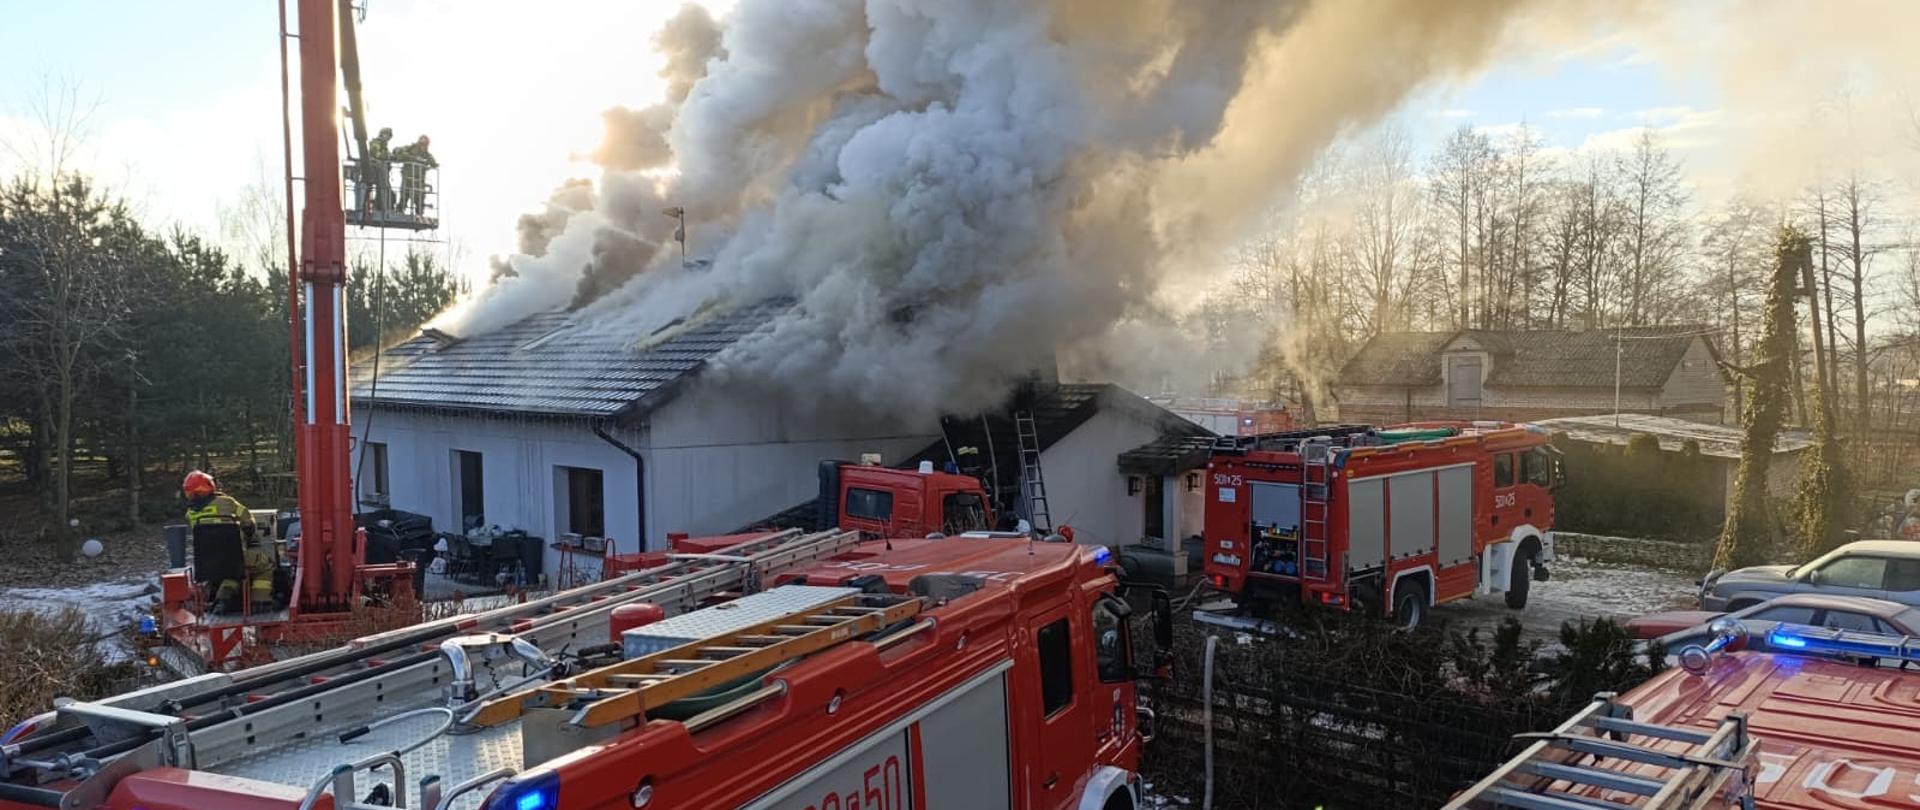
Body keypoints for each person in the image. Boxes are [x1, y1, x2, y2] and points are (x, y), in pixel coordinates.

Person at [183, 471, 272, 613]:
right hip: (236, 557)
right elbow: (248, 521)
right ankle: (260, 602)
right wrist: (250, 538)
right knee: (265, 565)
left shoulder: (190, 514)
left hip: (209, 562)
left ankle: (222, 602)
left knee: (231, 573)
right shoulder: (227, 502)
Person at [392, 134, 438, 216]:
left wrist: (432, 163)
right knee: (404, 195)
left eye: (425, 144)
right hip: (408, 177)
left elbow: (432, 161)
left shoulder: (426, 154)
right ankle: (400, 210)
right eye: (422, 144)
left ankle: (419, 213)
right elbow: (397, 151)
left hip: (419, 179)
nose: (423, 146)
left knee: (420, 197)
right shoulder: (410, 148)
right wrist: (412, 158)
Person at [362, 127, 394, 213]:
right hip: (376, 169)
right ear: (383, 134)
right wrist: (387, 156)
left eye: (389, 136)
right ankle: (382, 208)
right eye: (387, 135)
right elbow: (376, 154)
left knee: (383, 189)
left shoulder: (384, 145)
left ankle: (381, 206)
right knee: (382, 188)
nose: (388, 138)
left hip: (381, 170)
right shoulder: (376, 143)